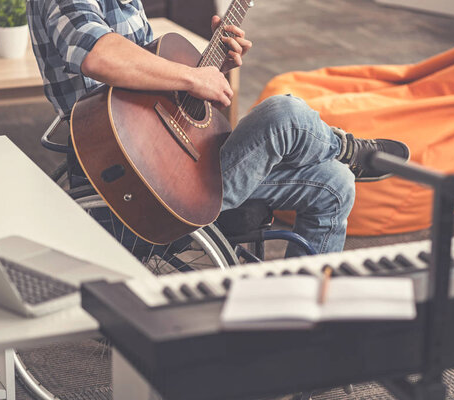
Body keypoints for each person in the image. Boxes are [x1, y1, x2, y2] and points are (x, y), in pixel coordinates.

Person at [27, 0, 410, 257]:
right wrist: (194, 78)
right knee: (283, 114)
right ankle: (346, 146)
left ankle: (302, 323)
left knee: (335, 183)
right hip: (140, 181)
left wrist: (214, 65)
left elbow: (150, 89)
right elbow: (96, 53)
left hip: (174, 156)